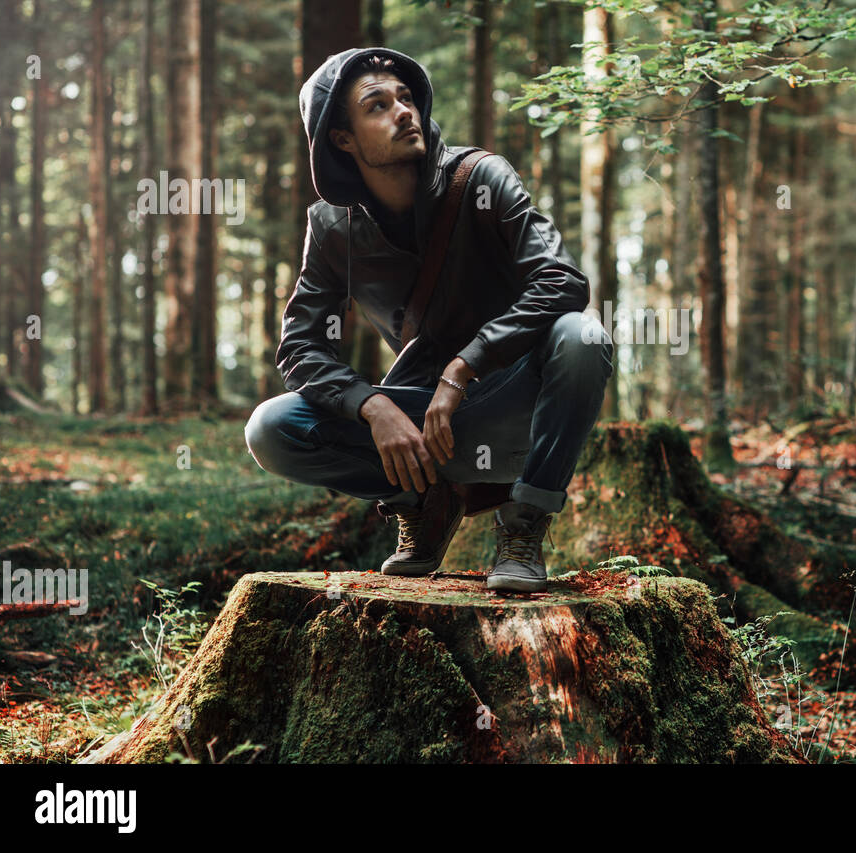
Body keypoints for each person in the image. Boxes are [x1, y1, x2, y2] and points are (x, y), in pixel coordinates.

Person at [244, 47, 613, 593]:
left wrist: (465, 365)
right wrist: (373, 407)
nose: (403, 112)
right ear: (342, 138)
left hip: (519, 399)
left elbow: (563, 281)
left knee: (584, 333)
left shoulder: (482, 178)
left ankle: (525, 521)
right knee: (272, 429)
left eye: (407, 98)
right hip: (424, 421)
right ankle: (423, 500)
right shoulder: (331, 228)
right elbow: (300, 348)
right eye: (377, 106)